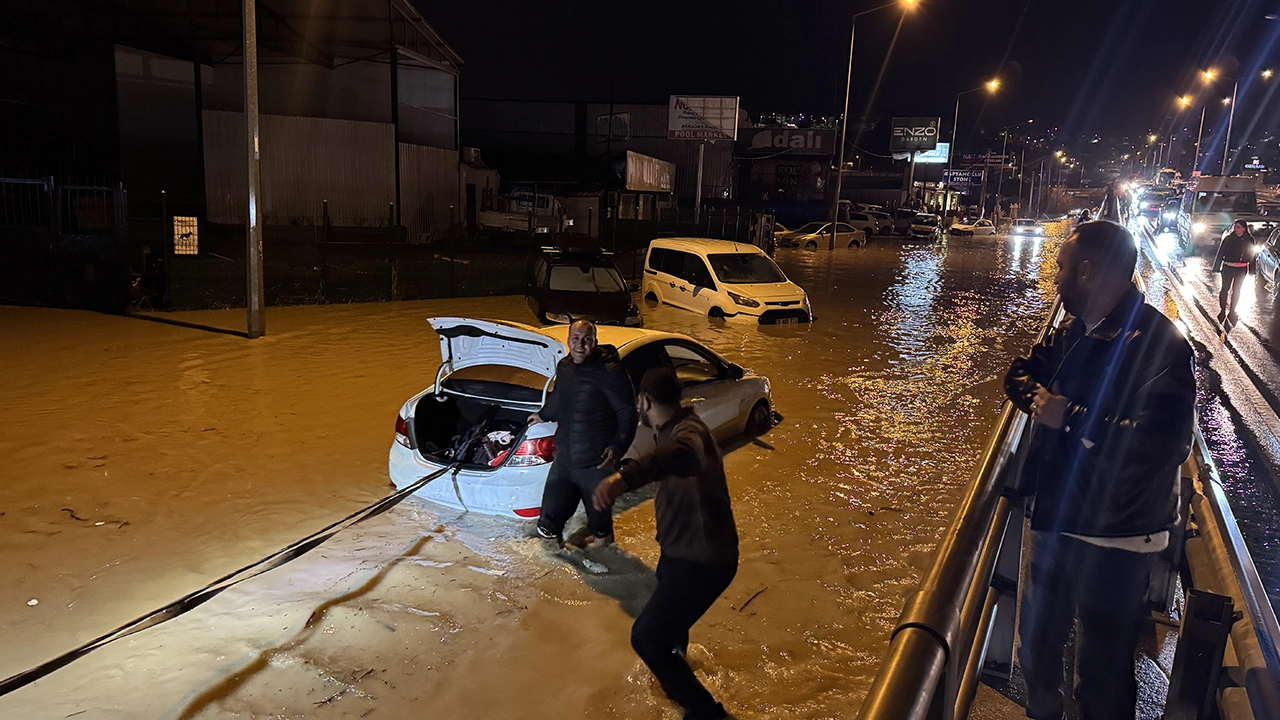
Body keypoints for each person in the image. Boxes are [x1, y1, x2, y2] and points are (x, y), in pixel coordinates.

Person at [1004, 221, 1195, 720]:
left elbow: (1162, 443)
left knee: (1104, 672)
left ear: (1087, 272)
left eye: (1062, 268)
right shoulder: (1074, 331)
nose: (1056, 280)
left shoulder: (1161, 345)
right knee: (1037, 652)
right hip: (1058, 520)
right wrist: (1041, 401)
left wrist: (1066, 416)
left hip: (1117, 535)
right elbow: (1019, 373)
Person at [593, 367, 739, 720]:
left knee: (646, 639)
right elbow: (666, 461)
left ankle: (706, 713)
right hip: (679, 555)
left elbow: (680, 455)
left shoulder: (689, 434)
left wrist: (621, 480)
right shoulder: (673, 429)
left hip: (703, 562)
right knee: (669, 635)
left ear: (644, 401)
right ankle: (679, 683)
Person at [530, 319, 637, 545]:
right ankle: (555, 572)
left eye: (587, 339)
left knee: (600, 528)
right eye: (575, 339)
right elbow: (560, 397)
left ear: (595, 343)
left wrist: (618, 447)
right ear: (568, 341)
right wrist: (543, 415)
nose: (580, 345)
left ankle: (606, 568)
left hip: (596, 466)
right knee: (547, 523)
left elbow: (627, 413)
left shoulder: (611, 373)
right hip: (565, 461)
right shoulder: (565, 367)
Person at [1213, 219, 1257, 331]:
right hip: (1228, 267)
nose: (1236, 230)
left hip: (1241, 269)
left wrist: (1252, 269)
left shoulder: (1249, 240)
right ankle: (1223, 309)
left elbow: (1252, 255)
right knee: (1225, 289)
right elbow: (1221, 253)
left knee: (1237, 290)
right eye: (1235, 227)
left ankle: (1232, 310)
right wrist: (1217, 267)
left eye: (1238, 227)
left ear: (1244, 228)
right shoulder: (1228, 239)